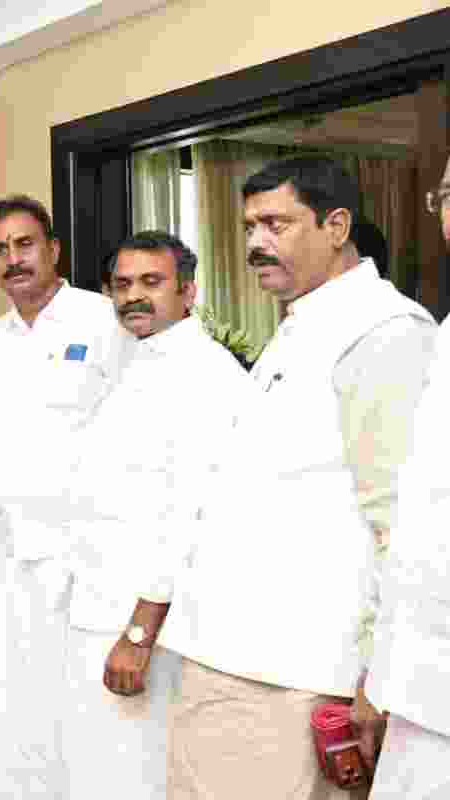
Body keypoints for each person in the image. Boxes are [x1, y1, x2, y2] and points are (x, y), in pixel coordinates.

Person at [157, 155, 435, 798]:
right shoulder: (301, 323)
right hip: (228, 649)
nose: (256, 242)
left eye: (277, 224)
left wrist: (380, 677)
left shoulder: (383, 331)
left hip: (295, 668)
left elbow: (403, 522)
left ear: (337, 226)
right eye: (250, 225)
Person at [61, 231, 252, 799]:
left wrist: (140, 632)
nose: (133, 296)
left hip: (152, 627)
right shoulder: (137, 360)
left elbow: (191, 516)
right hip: (101, 609)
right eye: (122, 284)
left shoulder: (205, 374)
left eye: (151, 282)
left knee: (137, 780)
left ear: (188, 291)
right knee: (99, 773)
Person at [0, 195, 130, 799]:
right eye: (0, 249)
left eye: (24, 244)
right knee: (15, 711)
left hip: (86, 554)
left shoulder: (103, 320)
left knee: (85, 714)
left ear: (54, 249)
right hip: (14, 552)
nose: (13, 259)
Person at [361, 154, 450, 798]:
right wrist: (381, 673)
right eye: (446, 194)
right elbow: (416, 512)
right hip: (424, 674)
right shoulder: (444, 336)